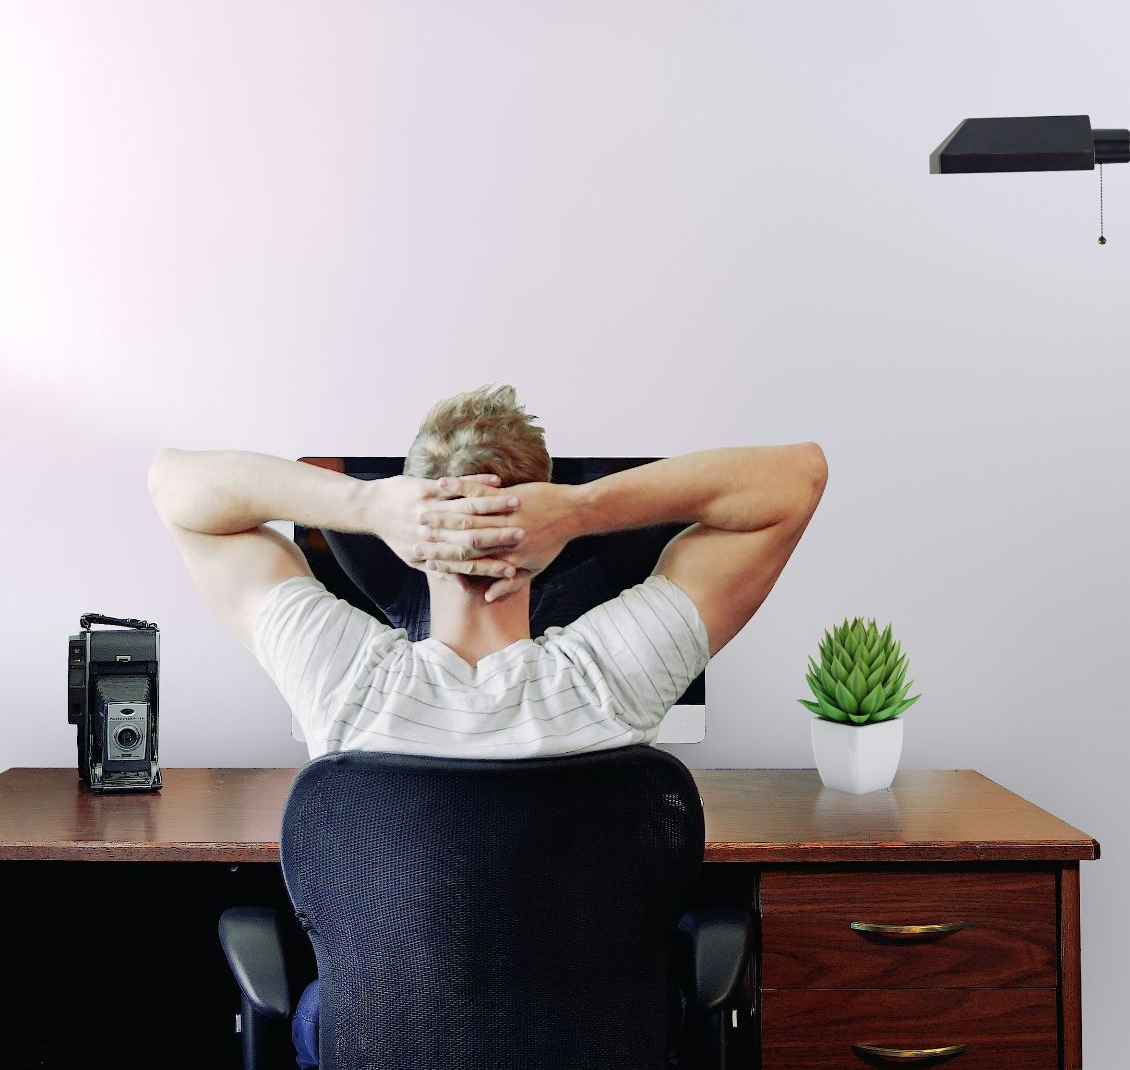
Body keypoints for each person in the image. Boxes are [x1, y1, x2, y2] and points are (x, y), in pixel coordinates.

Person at [148, 384, 827, 1069]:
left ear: (413, 542)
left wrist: (367, 505)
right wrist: (580, 509)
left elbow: (173, 484)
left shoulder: (343, 680)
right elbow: (797, 478)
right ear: (548, 534)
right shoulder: (610, 678)